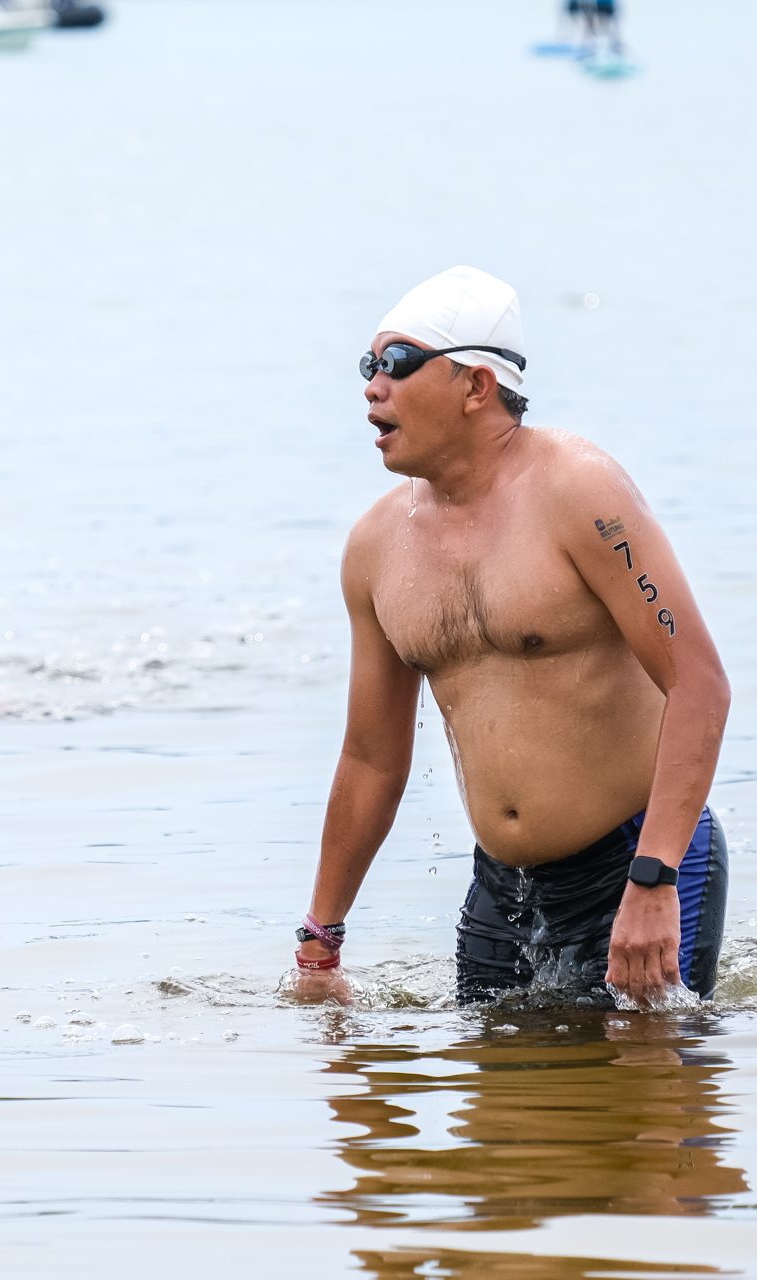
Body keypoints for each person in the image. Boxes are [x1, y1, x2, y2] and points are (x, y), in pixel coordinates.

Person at [292, 266, 730, 1008]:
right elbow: (370, 759)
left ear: (477, 385)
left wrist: (655, 877)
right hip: (503, 892)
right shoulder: (375, 548)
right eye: (369, 365)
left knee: (643, 1080)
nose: (373, 387)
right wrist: (320, 939)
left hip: (637, 861)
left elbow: (699, 684)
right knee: (497, 1082)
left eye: (398, 362)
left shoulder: (580, 493)